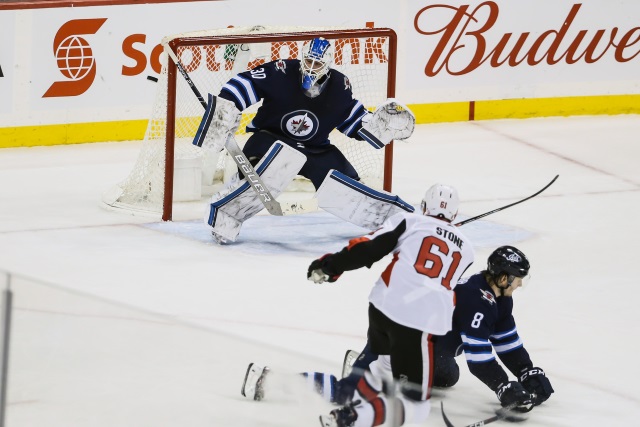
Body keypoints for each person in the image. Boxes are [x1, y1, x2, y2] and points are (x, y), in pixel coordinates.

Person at [241, 183, 475, 427]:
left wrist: (330, 265)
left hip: (383, 309)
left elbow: (369, 248)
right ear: (455, 215)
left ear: (424, 206)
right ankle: (349, 420)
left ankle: (270, 380)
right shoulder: (467, 250)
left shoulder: (410, 221)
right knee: (415, 407)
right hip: (418, 324)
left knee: (363, 386)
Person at [192, 37, 416, 243]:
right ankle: (228, 211)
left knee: (346, 185)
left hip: (315, 150)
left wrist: (378, 127)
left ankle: (394, 219)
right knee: (261, 171)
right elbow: (243, 84)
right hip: (269, 140)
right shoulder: (281, 72)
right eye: (308, 60)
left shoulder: (339, 86)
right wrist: (227, 108)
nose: (310, 67)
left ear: (327, 65)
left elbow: (352, 119)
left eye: (317, 64)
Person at [335, 246, 555, 414]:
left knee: (448, 377)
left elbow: (507, 341)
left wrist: (526, 371)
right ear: (503, 278)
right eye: (517, 279)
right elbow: (478, 358)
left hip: (432, 346)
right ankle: (368, 365)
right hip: (403, 337)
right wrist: (503, 386)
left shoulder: (501, 299)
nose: (519, 285)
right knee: (402, 393)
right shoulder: (475, 299)